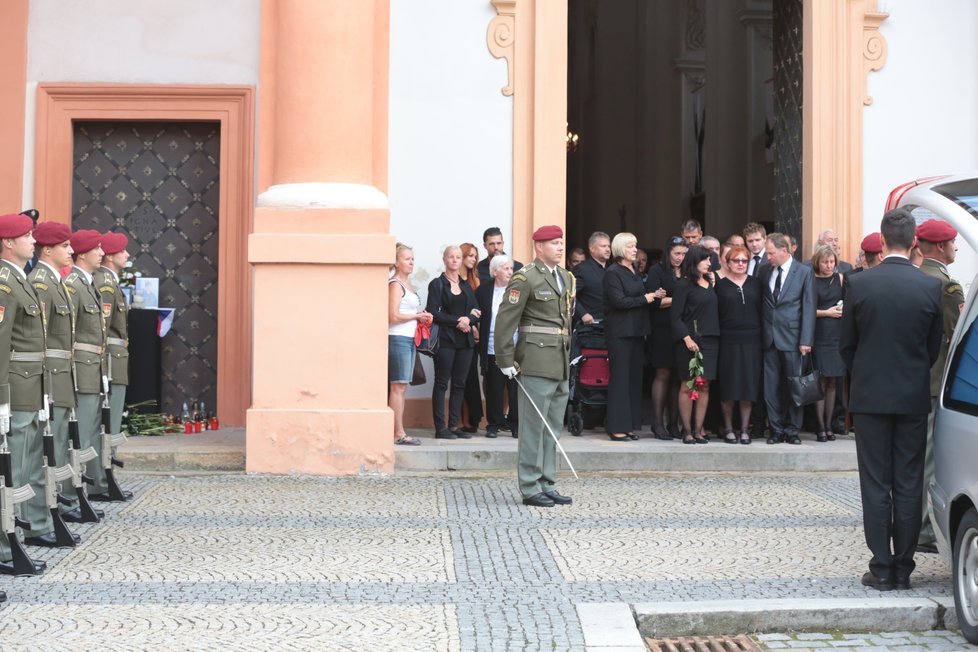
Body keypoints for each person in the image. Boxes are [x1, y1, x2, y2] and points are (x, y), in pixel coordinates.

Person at [840, 207, 942, 591]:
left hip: (870, 397)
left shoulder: (860, 284)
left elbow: (846, 345)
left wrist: (867, 374)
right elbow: (931, 348)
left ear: (881, 242)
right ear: (915, 242)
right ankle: (905, 566)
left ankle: (882, 567)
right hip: (912, 395)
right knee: (909, 481)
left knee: (875, 482)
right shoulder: (929, 287)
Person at [0, 215, 70, 562]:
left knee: (28, 461)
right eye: (26, 236)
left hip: (31, 385)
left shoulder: (20, 280)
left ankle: (25, 527)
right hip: (14, 387)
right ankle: (11, 537)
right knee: (13, 466)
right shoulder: (5, 282)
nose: (32, 241)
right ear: (8, 243)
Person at [494, 225, 574, 508]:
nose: (560, 247)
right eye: (554, 243)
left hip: (560, 360)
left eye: (561, 242)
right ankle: (529, 487)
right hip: (536, 360)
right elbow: (505, 320)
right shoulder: (525, 278)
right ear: (539, 247)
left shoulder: (564, 276)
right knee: (532, 427)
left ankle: (546, 482)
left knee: (552, 426)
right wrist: (505, 360)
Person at [29, 222, 101, 525]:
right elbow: (38, 338)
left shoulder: (55, 282)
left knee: (60, 441)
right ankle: (50, 504)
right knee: (50, 444)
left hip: (62, 374)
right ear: (48, 250)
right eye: (65, 246)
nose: (71, 251)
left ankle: (59, 500)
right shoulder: (43, 284)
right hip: (49, 376)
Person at [915, 219, 964, 553]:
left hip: (915, 379)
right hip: (937, 382)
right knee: (928, 459)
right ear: (941, 247)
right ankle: (921, 531)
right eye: (952, 243)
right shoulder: (947, 287)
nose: (956, 248)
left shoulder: (916, 278)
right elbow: (958, 337)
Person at [64, 230, 121, 501]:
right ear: (83, 253)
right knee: (79, 436)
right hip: (81, 369)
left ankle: (81, 489)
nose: (102, 253)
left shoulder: (87, 283)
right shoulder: (75, 284)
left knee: (89, 432)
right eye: (96, 249)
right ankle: (71, 492)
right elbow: (67, 333)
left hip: (93, 367)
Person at [760, 232, 816, 445]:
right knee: (771, 387)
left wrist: (806, 340)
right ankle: (775, 429)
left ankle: (792, 430)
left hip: (794, 339)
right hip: (769, 339)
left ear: (785, 251)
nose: (768, 257)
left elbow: (809, 307)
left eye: (771, 253)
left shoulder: (803, 272)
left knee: (795, 387)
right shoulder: (764, 271)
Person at [603, 233, 658, 442]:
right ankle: (617, 427)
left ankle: (629, 426)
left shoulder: (633, 271)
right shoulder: (612, 273)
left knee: (634, 380)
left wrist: (652, 297)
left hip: (636, 331)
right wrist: (645, 298)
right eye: (630, 247)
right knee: (620, 380)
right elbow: (619, 301)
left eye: (635, 246)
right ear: (620, 249)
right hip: (620, 333)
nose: (635, 250)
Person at [426, 245, 481, 439]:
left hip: (465, 341)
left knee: (459, 384)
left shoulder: (466, 285)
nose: (455, 260)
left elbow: (476, 310)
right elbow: (432, 311)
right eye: (451, 257)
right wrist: (458, 321)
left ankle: (454, 426)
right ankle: (440, 428)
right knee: (441, 383)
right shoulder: (437, 284)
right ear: (445, 260)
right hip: (445, 340)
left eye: (458, 257)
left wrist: (469, 320)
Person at [94, 232, 134, 495]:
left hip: (115, 358)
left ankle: (104, 476)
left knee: (110, 424)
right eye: (122, 251)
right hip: (109, 359)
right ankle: (101, 480)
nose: (127, 255)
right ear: (110, 256)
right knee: (105, 424)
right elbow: (102, 328)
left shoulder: (110, 281)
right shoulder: (106, 284)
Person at [671, 245, 719, 444]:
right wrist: (687, 338)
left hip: (711, 339)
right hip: (690, 341)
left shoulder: (709, 281)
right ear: (694, 262)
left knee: (704, 385)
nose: (709, 263)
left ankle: (699, 430)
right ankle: (687, 430)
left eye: (710, 259)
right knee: (688, 385)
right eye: (705, 259)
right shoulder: (684, 285)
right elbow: (675, 317)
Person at [715, 244, 763, 445]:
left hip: (752, 340)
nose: (741, 264)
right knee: (729, 386)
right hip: (728, 340)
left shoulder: (756, 283)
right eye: (736, 260)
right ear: (728, 262)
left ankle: (744, 429)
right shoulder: (720, 285)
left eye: (745, 260)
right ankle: (728, 428)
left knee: (748, 387)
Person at [387, 243, 432, 446]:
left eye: (412, 258)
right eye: (407, 258)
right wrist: (416, 315)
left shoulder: (408, 284)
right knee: (398, 386)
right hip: (398, 338)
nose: (411, 262)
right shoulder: (395, 284)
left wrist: (419, 318)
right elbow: (393, 315)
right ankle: (397, 432)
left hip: (408, 338)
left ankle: (398, 430)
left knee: (402, 386)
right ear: (396, 261)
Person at [646, 236, 686, 439]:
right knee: (663, 373)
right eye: (676, 253)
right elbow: (654, 302)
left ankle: (674, 424)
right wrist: (679, 299)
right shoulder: (656, 271)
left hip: (682, 328)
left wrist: (669, 299)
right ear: (668, 252)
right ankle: (657, 422)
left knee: (678, 377)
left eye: (683, 254)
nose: (680, 258)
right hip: (662, 328)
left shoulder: (687, 272)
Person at [476, 255, 519, 438]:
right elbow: (477, 313)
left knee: (514, 387)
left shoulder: (518, 288)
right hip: (492, 345)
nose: (510, 271)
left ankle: (515, 424)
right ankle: (493, 423)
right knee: (494, 386)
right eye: (506, 268)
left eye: (511, 268)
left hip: (514, 344)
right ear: (495, 271)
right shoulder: (484, 290)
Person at [811, 245, 846, 442]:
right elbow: (806, 308)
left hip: (836, 335)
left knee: (833, 381)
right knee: (821, 380)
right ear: (818, 261)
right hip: (819, 333)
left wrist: (841, 310)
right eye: (825, 262)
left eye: (832, 262)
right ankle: (820, 426)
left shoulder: (840, 279)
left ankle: (829, 423)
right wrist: (827, 312)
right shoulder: (811, 280)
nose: (829, 265)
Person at [459, 242, 484, 433]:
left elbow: (478, 309)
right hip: (456, 332)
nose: (473, 259)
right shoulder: (452, 279)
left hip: (474, 334)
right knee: (459, 378)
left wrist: (476, 327)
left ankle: (471, 420)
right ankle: (460, 420)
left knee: (471, 377)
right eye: (470, 255)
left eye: (475, 256)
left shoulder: (475, 280)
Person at [573, 231, 611, 325]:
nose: (607, 249)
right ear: (592, 248)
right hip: (591, 327)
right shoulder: (582, 270)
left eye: (608, 246)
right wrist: (583, 314)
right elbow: (570, 295)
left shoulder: (612, 269)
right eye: (603, 246)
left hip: (611, 327)